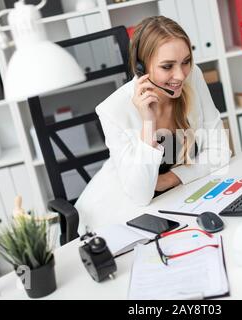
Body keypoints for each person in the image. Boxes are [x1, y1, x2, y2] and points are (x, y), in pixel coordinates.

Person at [75, 16, 231, 230]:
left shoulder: (192, 76)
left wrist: (171, 178)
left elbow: (221, 151)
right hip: (121, 210)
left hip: (176, 195)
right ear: (141, 68)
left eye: (186, 61)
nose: (180, 75)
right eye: (167, 66)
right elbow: (140, 194)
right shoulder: (112, 110)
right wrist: (148, 123)